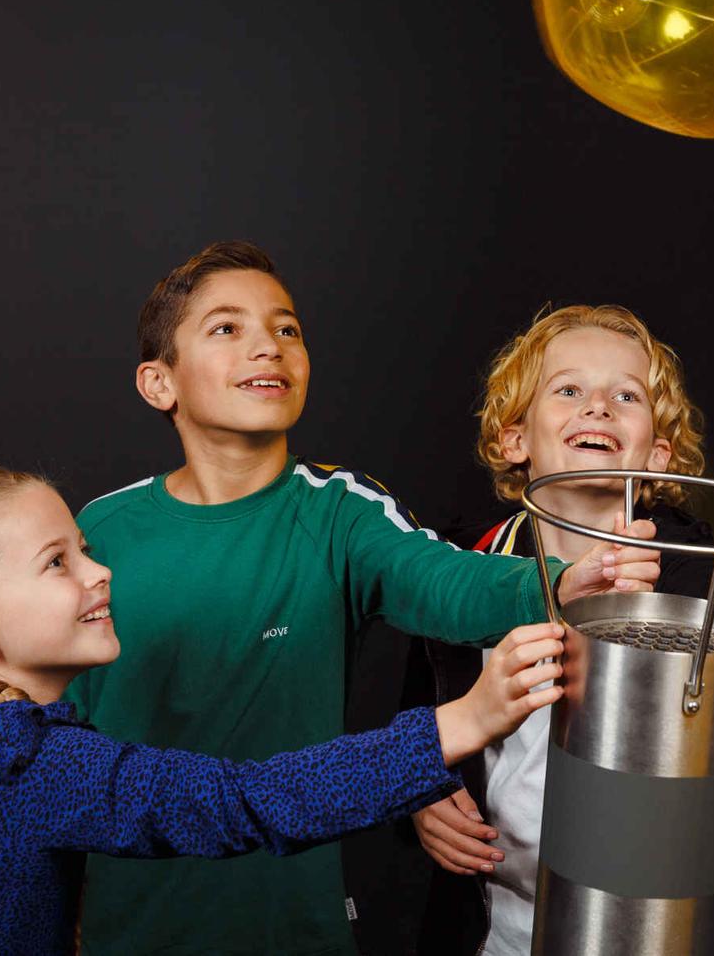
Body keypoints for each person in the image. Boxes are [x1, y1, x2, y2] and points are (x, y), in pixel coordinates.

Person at [66, 241, 662, 956]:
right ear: (159, 383)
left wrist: (560, 583)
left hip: (296, 924)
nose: (268, 347)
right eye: (227, 329)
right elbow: (58, 738)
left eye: (287, 329)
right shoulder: (99, 531)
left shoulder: (344, 511)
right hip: (127, 926)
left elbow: (447, 584)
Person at [0, 467, 567, 956]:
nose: (100, 573)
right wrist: (461, 721)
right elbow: (240, 802)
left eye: (85, 547)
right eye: (59, 563)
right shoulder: (25, 764)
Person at [413, 304, 714, 955]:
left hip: (641, 922)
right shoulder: (464, 567)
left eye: (626, 395)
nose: (599, 407)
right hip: (499, 920)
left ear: (658, 454)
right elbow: (422, 713)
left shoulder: (699, 583)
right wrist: (419, 792)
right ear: (514, 439)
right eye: (569, 389)